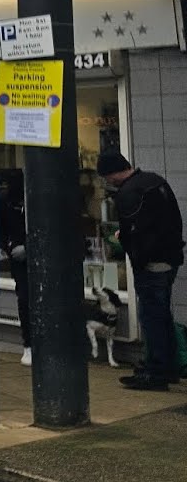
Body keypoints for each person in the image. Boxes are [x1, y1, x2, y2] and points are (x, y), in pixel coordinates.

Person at [98, 151, 184, 391]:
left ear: (113, 173)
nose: (107, 182)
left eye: (106, 177)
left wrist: (127, 245)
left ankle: (155, 372)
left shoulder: (129, 193)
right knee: (162, 316)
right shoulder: (155, 181)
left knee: (152, 317)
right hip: (170, 258)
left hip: (151, 264)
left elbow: (137, 233)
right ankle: (168, 367)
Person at [0, 170, 32, 366]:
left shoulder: (37, 196)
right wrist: (8, 246)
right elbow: (0, 227)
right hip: (18, 258)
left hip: (34, 253)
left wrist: (29, 247)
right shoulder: (6, 200)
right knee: (25, 299)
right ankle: (28, 344)